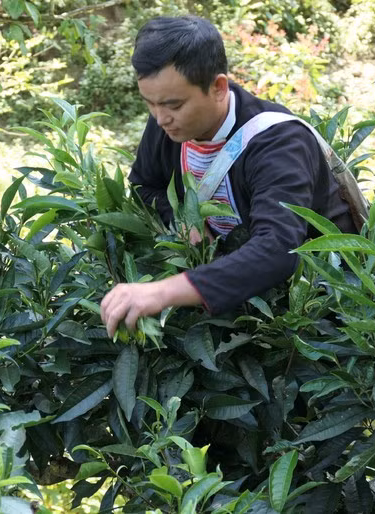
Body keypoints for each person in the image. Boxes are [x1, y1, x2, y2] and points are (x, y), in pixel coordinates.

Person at [100, 16, 357, 338]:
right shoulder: (168, 124)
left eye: (173, 105)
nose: (161, 118)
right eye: (150, 104)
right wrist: (185, 220)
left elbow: (278, 249)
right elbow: (145, 186)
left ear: (218, 88)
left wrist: (162, 292)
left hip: (320, 309)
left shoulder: (278, 143)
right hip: (240, 298)